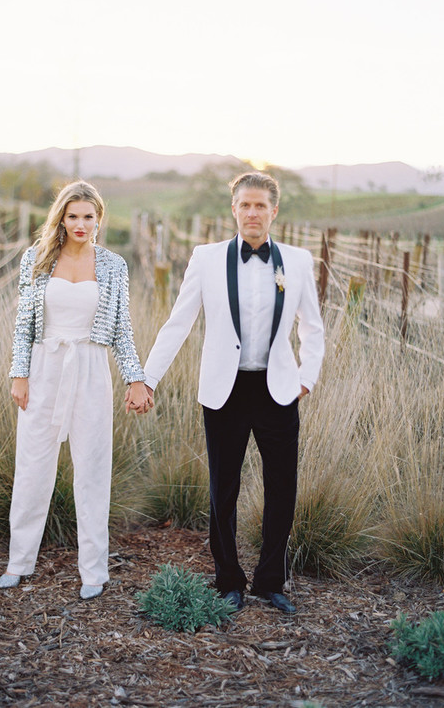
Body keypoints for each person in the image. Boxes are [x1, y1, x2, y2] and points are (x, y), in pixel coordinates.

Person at [132, 171, 324, 613]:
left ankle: (271, 581)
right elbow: (178, 322)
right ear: (233, 209)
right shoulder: (206, 258)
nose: (253, 212)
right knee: (224, 488)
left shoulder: (296, 262)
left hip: (278, 390)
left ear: (274, 211)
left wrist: (305, 378)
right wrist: (147, 378)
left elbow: (313, 327)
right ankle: (228, 580)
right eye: (245, 205)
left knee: (282, 488)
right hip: (224, 391)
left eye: (261, 205)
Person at [0, 180, 153, 598]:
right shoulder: (36, 259)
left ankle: (93, 571)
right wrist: (19, 373)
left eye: (88, 216)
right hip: (44, 366)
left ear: (99, 218)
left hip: (90, 368)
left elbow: (122, 329)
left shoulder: (113, 265)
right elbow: (23, 326)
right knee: (32, 466)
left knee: (92, 468)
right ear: (61, 219)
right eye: (73, 216)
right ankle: (19, 562)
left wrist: (135, 378)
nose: (80, 224)